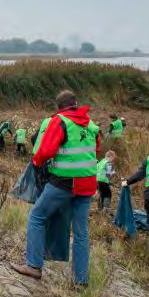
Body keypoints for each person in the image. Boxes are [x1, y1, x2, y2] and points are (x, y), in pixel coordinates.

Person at [12, 90, 101, 285]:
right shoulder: (91, 124)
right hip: (88, 183)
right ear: (75, 103)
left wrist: (36, 163)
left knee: (37, 216)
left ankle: (33, 266)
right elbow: (96, 149)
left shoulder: (60, 121)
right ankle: (80, 280)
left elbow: (46, 150)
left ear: (58, 107)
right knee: (81, 232)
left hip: (64, 182)